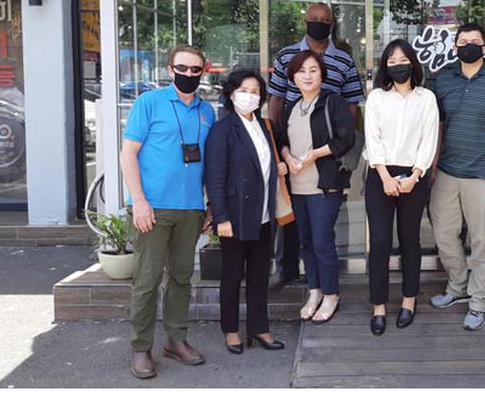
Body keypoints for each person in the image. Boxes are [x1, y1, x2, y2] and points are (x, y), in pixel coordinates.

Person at [120, 44, 215, 380]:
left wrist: (208, 204)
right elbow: (128, 154)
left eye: (195, 70)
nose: (189, 74)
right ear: (170, 68)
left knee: (181, 278)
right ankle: (141, 346)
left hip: (190, 209)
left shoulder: (207, 112)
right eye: (182, 68)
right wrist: (139, 201)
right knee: (146, 281)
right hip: (153, 208)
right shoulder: (149, 103)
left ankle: (176, 340)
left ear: (203, 72)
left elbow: (208, 163)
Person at [428, 23, 485, 331]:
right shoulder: (443, 80)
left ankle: (479, 300)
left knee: (481, 241)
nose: (468, 46)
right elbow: (438, 127)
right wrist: (431, 168)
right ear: (455, 47)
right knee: (443, 235)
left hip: (483, 174)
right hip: (446, 171)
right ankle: (457, 287)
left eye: (474, 41)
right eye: (463, 41)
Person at [267, 2, 365, 291]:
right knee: (291, 213)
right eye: (314, 19)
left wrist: (346, 146)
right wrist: (276, 142)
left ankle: (327, 285)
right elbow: (275, 99)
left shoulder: (344, 61)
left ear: (332, 24)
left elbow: (351, 105)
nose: (319, 23)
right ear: (305, 22)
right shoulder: (286, 56)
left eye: (325, 20)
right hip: (293, 144)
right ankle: (287, 270)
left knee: (323, 225)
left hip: (328, 150)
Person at [204, 69, 286, 354]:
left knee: (259, 276)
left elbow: (266, 165)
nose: (250, 96)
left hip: (263, 215)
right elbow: (215, 178)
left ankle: (259, 328)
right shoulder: (222, 130)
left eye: (255, 91)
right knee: (232, 276)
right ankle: (230, 330)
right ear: (230, 93)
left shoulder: (264, 126)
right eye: (244, 90)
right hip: (235, 217)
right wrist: (221, 217)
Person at [364, 39, 439, 335]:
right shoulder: (377, 99)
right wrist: (384, 176)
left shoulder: (427, 98)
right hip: (380, 174)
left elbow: (429, 139)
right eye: (392, 62)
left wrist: (415, 175)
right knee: (380, 242)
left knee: (410, 240)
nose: (398, 66)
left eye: (403, 60)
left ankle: (409, 300)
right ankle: (379, 306)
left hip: (414, 176)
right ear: (386, 66)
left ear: (413, 63)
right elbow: (373, 138)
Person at [279, 50, 356, 324]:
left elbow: (346, 138)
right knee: (306, 242)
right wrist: (288, 158)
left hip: (324, 187)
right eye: (301, 71)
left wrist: (314, 154)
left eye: (313, 70)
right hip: (297, 187)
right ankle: (314, 291)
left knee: (323, 242)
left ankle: (332, 294)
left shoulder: (332, 102)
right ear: (293, 77)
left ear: (322, 74)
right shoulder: (291, 107)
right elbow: (280, 141)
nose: (307, 76)